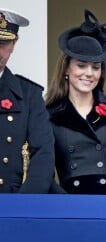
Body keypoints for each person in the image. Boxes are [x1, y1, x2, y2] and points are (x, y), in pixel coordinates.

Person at [45, 9, 106, 195]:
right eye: (81, 65)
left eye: (95, 67)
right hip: (69, 205)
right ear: (66, 69)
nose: (89, 73)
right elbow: (43, 171)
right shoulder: (48, 115)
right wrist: (64, 203)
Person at [0, 8, 54, 193]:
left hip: (13, 202)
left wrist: (24, 205)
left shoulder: (28, 95)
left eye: (2, 42)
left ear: (14, 43)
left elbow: (43, 153)